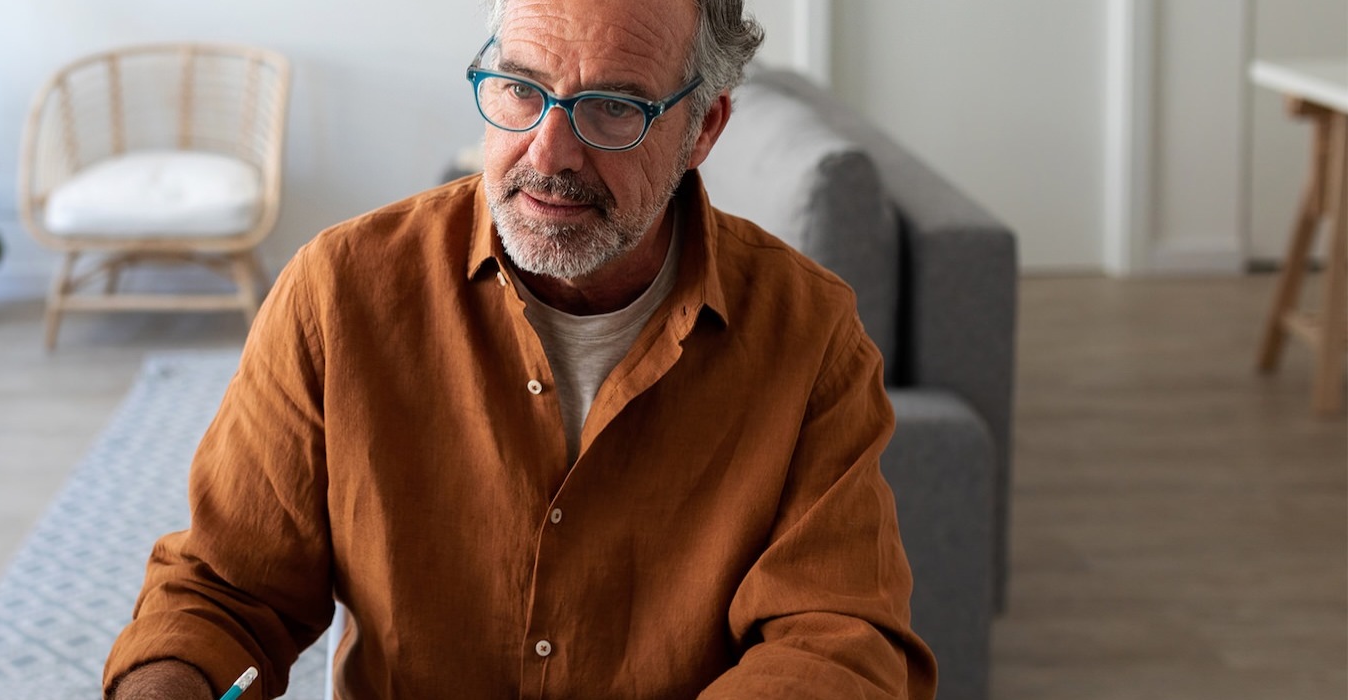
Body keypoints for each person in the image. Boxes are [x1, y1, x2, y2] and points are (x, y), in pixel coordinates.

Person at [105, 0, 937, 697]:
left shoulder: (810, 336)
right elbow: (223, 591)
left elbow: (836, 638)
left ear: (703, 128)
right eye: (520, 89)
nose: (549, 153)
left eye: (614, 105)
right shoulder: (340, 293)